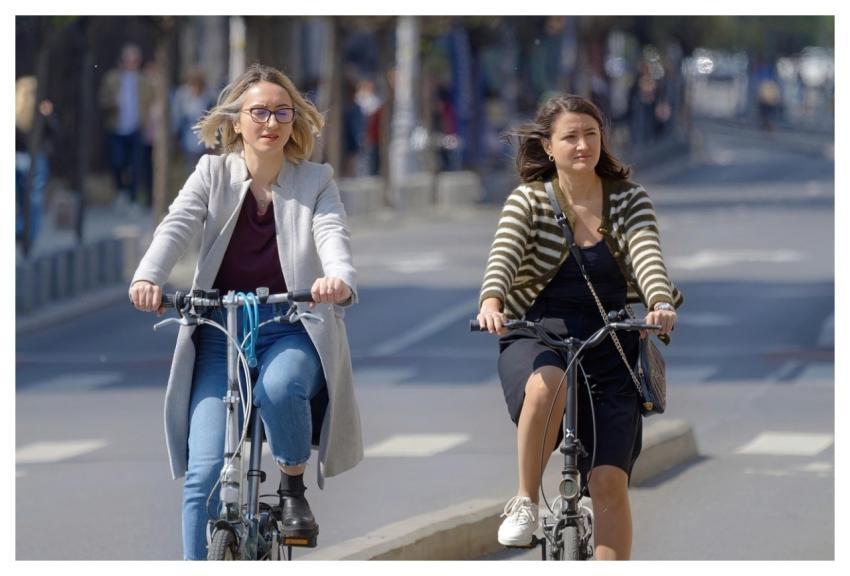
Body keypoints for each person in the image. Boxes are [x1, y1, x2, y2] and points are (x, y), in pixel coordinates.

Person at [128, 63, 363, 560]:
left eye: (282, 112)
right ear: (236, 121)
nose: (270, 122)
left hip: (290, 326)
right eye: (258, 112)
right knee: (204, 474)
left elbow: (332, 235)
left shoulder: (316, 180)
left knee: (280, 388)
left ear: (294, 122)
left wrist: (336, 278)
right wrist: (148, 276)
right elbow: (177, 225)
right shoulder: (212, 172)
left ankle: (293, 487)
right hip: (219, 332)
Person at [476, 94, 682, 560]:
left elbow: (648, 256)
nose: (583, 144)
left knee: (608, 480)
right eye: (570, 136)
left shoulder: (628, 199)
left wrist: (659, 301)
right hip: (538, 330)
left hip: (610, 337)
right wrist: (492, 301)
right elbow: (502, 257)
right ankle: (526, 500)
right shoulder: (529, 200)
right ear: (549, 147)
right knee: (547, 385)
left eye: (591, 134)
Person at [98, 43, 154, 208]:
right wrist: (112, 102)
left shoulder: (144, 80)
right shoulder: (112, 78)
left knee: (136, 164)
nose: (131, 63)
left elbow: (151, 101)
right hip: (116, 126)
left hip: (137, 127)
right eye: (127, 59)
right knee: (117, 161)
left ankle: (133, 197)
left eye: (134, 60)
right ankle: (120, 191)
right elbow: (102, 100)